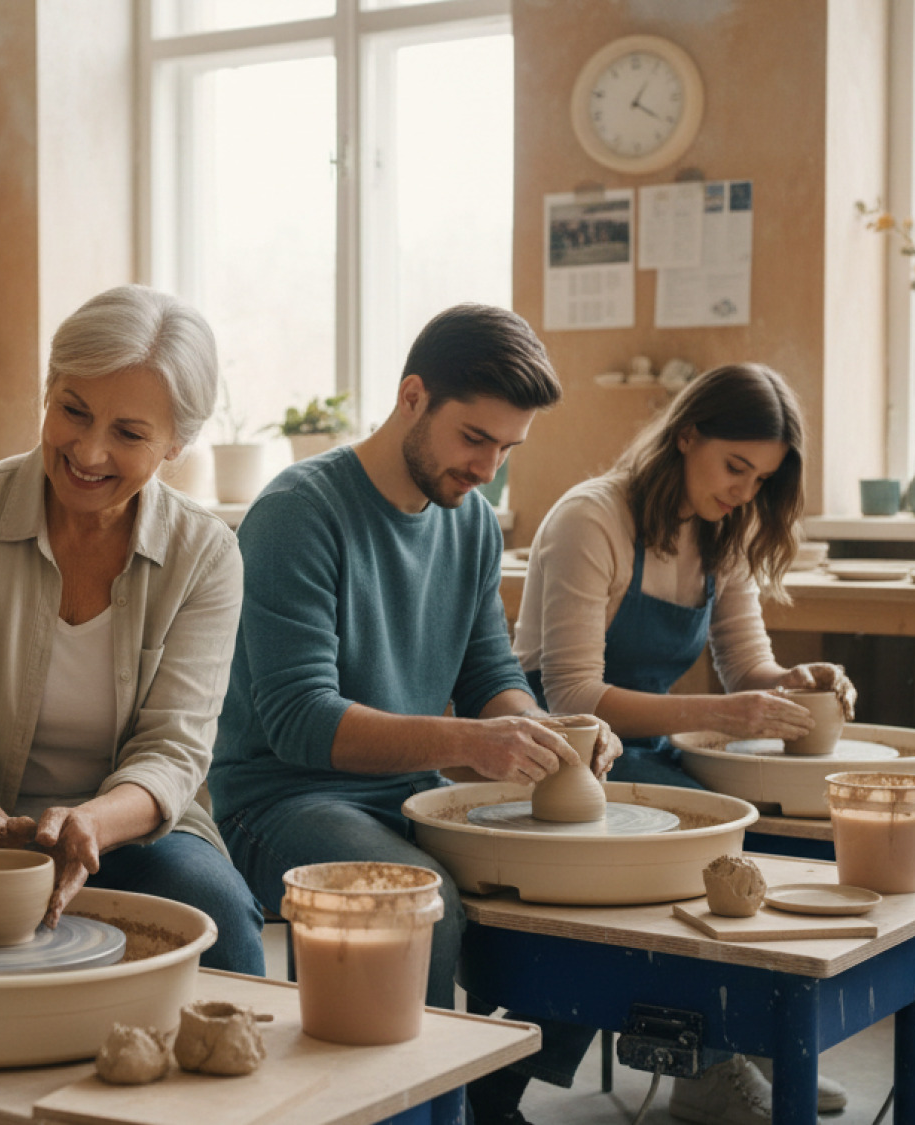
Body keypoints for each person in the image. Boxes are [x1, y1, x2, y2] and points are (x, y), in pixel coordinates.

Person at [210, 304, 619, 1115]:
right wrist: (479, 742)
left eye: (507, 449)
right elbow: (300, 720)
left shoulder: (467, 521)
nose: (489, 469)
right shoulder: (300, 512)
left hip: (406, 791)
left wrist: (541, 732)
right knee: (417, 899)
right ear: (412, 397)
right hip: (280, 797)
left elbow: (487, 673)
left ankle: (487, 1097)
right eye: (475, 439)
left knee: (589, 882)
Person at [505, 362, 857, 1124]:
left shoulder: (720, 532)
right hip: (556, 756)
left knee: (743, 827)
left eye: (760, 479)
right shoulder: (591, 519)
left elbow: (746, 663)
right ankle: (709, 1058)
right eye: (735, 466)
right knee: (693, 836)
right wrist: (726, 713)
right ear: (686, 435)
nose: (743, 491)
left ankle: (742, 1040)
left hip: (640, 747)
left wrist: (796, 679)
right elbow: (573, 697)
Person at [0, 284, 267, 973]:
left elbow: (174, 750)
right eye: (73, 411)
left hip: (131, 830)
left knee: (223, 920)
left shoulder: (206, 553)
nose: (88, 452)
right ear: (49, 390)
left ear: (176, 445)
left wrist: (89, 824)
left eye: (128, 433)